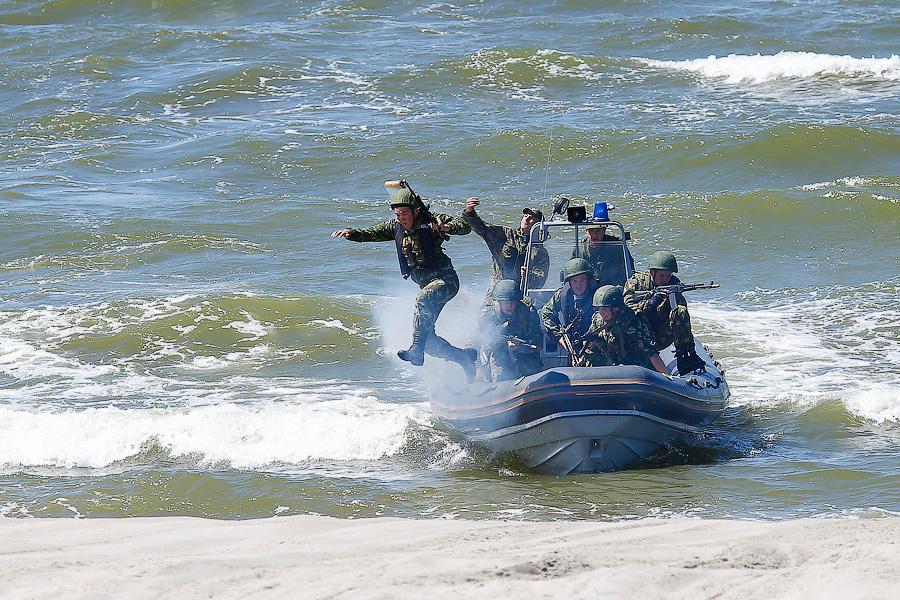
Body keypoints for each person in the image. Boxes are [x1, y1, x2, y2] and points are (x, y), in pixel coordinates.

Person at [331, 180, 477, 381]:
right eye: (398, 215)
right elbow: (371, 233)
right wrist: (352, 233)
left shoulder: (432, 221)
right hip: (427, 288)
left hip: (446, 282)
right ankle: (464, 358)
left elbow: (464, 226)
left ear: (416, 211)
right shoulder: (396, 226)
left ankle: (416, 350)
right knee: (428, 341)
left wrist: (446, 227)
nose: (401, 219)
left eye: (405, 215)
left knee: (422, 299)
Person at [622, 251, 705, 374]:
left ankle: (684, 357)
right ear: (652, 272)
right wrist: (652, 302)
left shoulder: (673, 286)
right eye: (662, 276)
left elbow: (683, 321)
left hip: (659, 335)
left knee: (681, 311)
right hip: (636, 335)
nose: (665, 280)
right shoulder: (636, 283)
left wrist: (690, 349)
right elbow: (627, 309)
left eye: (668, 276)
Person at [462, 198, 550, 302]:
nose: (526, 219)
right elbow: (482, 228)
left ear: (538, 225)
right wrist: (470, 212)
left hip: (520, 298)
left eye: (531, 218)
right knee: (486, 312)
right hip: (496, 294)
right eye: (525, 216)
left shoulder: (540, 252)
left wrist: (528, 275)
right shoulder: (505, 234)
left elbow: (540, 280)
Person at [583, 285, 668, 373]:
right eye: (599, 308)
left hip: (636, 369)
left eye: (605, 308)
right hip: (611, 366)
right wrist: (591, 344)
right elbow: (590, 347)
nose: (601, 313)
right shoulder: (598, 320)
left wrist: (666, 376)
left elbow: (651, 353)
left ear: (616, 308)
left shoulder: (634, 321)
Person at [475, 279, 544, 382]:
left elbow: (538, 341)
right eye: (506, 302)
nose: (509, 306)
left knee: (533, 378)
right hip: (499, 354)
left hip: (525, 354)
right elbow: (480, 341)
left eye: (512, 302)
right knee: (500, 378)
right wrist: (478, 366)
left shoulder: (527, 312)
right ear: (499, 302)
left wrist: (520, 346)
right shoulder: (488, 315)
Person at [539, 258, 597, 366]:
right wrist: (558, 337)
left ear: (589, 280)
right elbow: (546, 312)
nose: (578, 285)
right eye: (575, 281)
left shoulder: (598, 295)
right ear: (569, 282)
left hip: (597, 347)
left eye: (582, 280)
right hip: (574, 346)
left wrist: (595, 340)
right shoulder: (563, 295)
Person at [571, 222, 635, 286]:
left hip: (612, 287)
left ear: (604, 230)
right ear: (587, 231)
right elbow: (572, 271)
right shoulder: (579, 248)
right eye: (591, 230)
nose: (595, 234)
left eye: (598, 230)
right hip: (587, 288)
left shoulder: (617, 246)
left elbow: (629, 269)